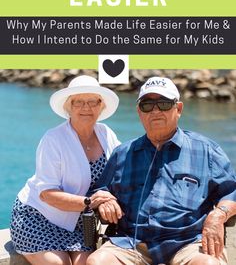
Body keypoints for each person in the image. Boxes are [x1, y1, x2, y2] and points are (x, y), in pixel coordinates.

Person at [87, 76, 236, 265]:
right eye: (147, 105)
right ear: (139, 112)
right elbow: (100, 190)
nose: (155, 110)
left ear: (179, 109)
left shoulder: (206, 151)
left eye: (164, 104)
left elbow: (231, 192)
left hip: (188, 243)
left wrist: (218, 215)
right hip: (132, 243)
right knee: (97, 262)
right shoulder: (122, 154)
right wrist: (104, 200)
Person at [10, 75, 120, 265]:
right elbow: (47, 194)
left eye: (92, 101)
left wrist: (108, 199)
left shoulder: (106, 134)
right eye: (79, 102)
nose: (86, 108)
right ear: (69, 107)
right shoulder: (53, 139)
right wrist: (91, 202)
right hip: (37, 216)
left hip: (77, 222)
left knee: (87, 263)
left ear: (101, 106)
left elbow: (121, 172)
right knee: (58, 264)